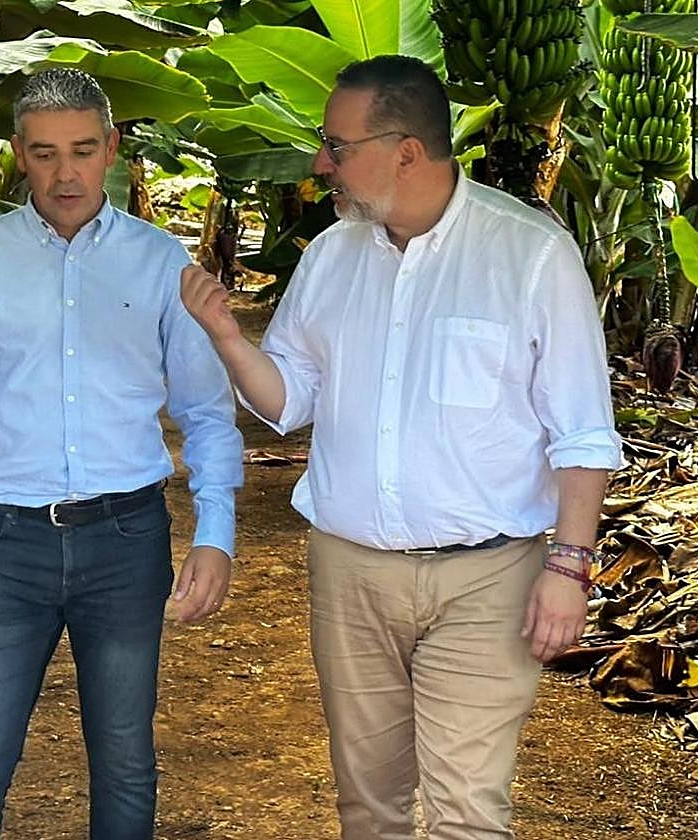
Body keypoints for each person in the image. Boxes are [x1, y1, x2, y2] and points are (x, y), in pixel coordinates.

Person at [180, 55, 621, 839]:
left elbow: (581, 430)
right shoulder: (330, 257)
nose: (322, 165)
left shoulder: (529, 255)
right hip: (352, 576)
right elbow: (288, 401)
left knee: (466, 812)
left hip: (488, 579)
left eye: (337, 147)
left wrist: (569, 566)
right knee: (368, 805)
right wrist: (224, 333)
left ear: (406, 151)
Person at [0, 67, 244, 840]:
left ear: (111, 147)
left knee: (124, 758)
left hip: (126, 540)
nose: (65, 172)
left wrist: (214, 532)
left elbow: (207, 412)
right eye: (45, 154)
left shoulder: (159, 261)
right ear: (19, 154)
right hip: (4, 541)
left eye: (83, 150)